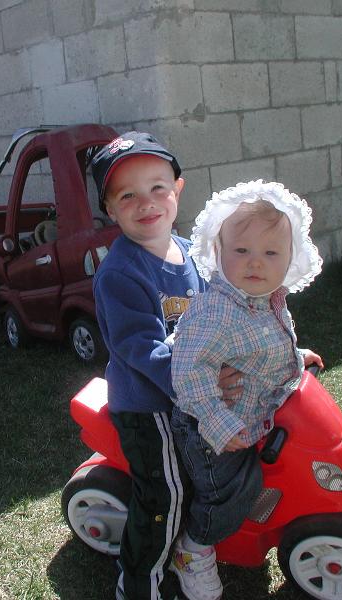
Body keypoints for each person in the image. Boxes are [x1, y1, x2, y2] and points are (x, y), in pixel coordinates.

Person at [91, 132, 236, 600]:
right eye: (127, 196)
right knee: (165, 496)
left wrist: (277, 354)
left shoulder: (193, 253)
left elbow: (226, 317)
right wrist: (203, 383)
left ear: (178, 189)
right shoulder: (121, 274)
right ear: (110, 209)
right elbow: (143, 350)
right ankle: (138, 583)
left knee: (210, 475)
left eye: (157, 188)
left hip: (191, 395)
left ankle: (194, 547)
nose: (146, 203)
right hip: (147, 405)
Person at [168, 180, 324, 600]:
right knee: (234, 488)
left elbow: (264, 346)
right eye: (241, 250)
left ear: (289, 258)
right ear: (219, 252)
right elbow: (188, 373)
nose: (255, 262)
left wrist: (295, 357)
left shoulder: (266, 298)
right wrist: (218, 422)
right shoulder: (215, 311)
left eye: (271, 253)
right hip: (207, 427)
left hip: (248, 414)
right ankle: (194, 549)